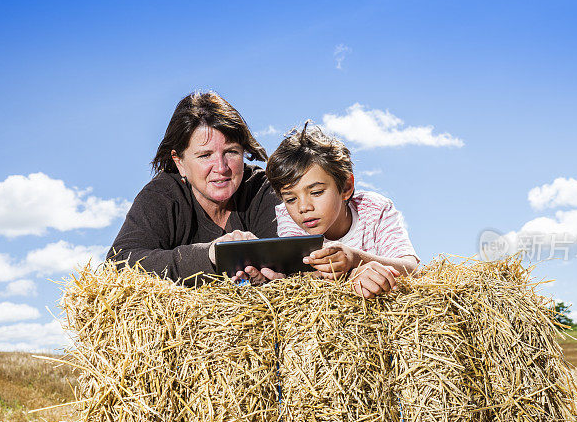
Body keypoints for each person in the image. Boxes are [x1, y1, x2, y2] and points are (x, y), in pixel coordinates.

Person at [107, 91, 282, 284]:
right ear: (179, 162)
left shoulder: (263, 189)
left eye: (231, 152)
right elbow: (118, 265)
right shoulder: (161, 196)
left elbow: (292, 256)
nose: (221, 168)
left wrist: (275, 276)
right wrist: (211, 254)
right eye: (205, 155)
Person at [265, 122, 419, 298]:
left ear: (346, 187)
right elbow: (300, 277)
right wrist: (351, 275)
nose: (303, 207)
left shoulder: (375, 209)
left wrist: (355, 258)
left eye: (316, 192)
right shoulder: (287, 215)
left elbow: (412, 269)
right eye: (291, 199)